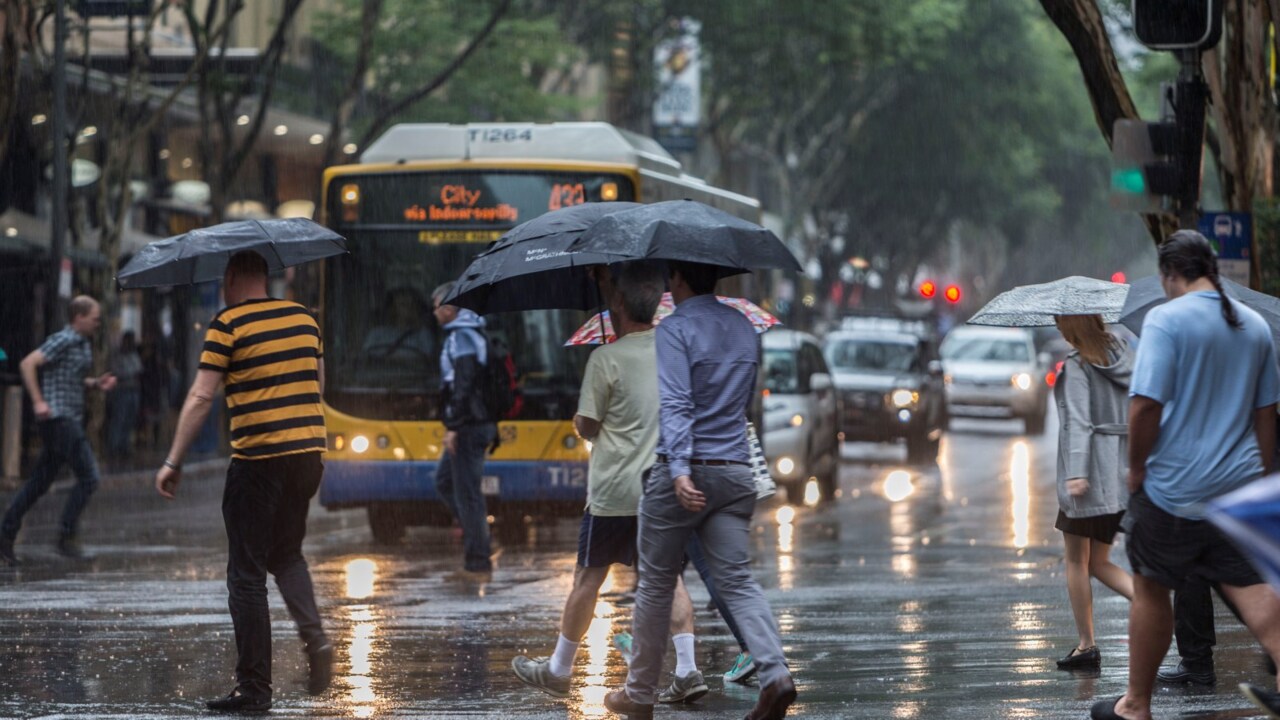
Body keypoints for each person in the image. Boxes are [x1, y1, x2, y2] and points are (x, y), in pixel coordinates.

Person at [1091, 231, 1280, 720]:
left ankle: (1135, 705)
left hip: (1174, 490)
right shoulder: (1254, 326)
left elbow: (1145, 406)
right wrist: (1255, 480)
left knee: (1153, 588)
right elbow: (1266, 415)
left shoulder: (1166, 320)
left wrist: (1135, 468)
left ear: (1170, 274)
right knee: (1255, 591)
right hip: (1235, 490)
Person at [604, 260, 796, 720]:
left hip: (686, 472)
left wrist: (680, 470)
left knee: (655, 582)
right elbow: (740, 401)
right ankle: (775, 675)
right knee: (736, 579)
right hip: (735, 471)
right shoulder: (744, 327)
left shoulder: (675, 329)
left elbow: (676, 402)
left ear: (679, 279)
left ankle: (640, 693)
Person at [512, 261, 709, 703]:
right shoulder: (671, 348)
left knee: (588, 578)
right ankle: (687, 669)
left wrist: (584, 416)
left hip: (613, 492)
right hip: (660, 487)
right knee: (667, 577)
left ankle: (560, 668)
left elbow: (586, 425)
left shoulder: (604, 359)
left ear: (618, 303)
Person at [154, 251, 332, 714]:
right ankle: (315, 640)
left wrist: (173, 460)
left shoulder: (228, 324)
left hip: (258, 460)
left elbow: (200, 396)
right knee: (287, 554)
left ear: (232, 277)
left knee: (246, 576)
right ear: (266, 276)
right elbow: (318, 384)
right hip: (307, 455)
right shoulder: (304, 319)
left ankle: (254, 688)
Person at [0, 295, 116, 564]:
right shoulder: (63, 338)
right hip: (60, 420)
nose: (98, 323)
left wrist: (95, 383)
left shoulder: (82, 343)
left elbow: (69, 377)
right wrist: (40, 401)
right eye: (94, 318)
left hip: (68, 419)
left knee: (40, 482)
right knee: (89, 476)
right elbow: (28, 363)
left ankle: (6, 532)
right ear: (79, 317)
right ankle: (66, 536)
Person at [1051, 314, 1135, 670]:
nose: (1058, 329)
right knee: (1099, 562)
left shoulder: (1078, 365)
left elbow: (1080, 422)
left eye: (1060, 323)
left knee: (1076, 561)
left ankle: (1086, 645)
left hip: (1086, 476)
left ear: (1072, 327)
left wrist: (1076, 471)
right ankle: (1153, 603)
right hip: (1117, 472)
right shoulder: (1122, 354)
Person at [432, 282, 498, 577]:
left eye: (436, 307)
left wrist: (454, 427)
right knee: (446, 481)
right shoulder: (468, 332)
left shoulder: (462, 336)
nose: (434, 314)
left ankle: (478, 559)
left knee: (468, 493)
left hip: (469, 425)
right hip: (474, 422)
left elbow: (464, 383)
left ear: (448, 308)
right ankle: (479, 534)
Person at [362, 287, 436, 361]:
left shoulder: (423, 334)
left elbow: (426, 360)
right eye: (403, 304)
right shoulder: (376, 333)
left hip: (413, 372)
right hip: (378, 371)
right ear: (392, 308)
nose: (409, 308)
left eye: (412, 304)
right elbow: (366, 357)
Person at [107, 330, 143, 458]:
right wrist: (129, 374)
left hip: (134, 390)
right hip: (122, 390)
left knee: (129, 419)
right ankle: (114, 447)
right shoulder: (117, 355)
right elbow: (117, 372)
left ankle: (125, 446)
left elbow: (139, 369)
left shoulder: (133, 355)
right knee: (119, 419)